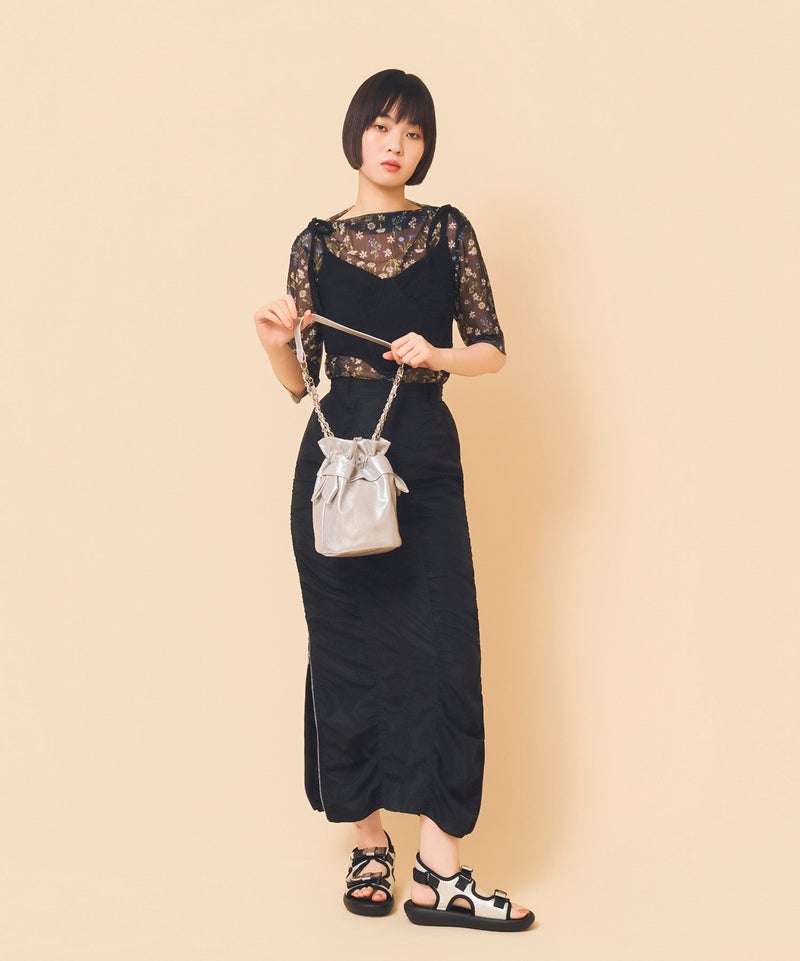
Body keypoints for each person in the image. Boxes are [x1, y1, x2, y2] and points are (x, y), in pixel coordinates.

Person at [253, 69, 534, 933]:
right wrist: (274, 344)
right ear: (357, 134)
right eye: (381, 127)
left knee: (447, 651)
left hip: (423, 453)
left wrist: (437, 355)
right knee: (347, 653)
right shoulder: (312, 244)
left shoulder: (448, 232)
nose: (395, 145)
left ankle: (439, 874)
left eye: (412, 132)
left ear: (424, 147)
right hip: (337, 463)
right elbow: (299, 384)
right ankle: (369, 844)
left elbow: (491, 348)